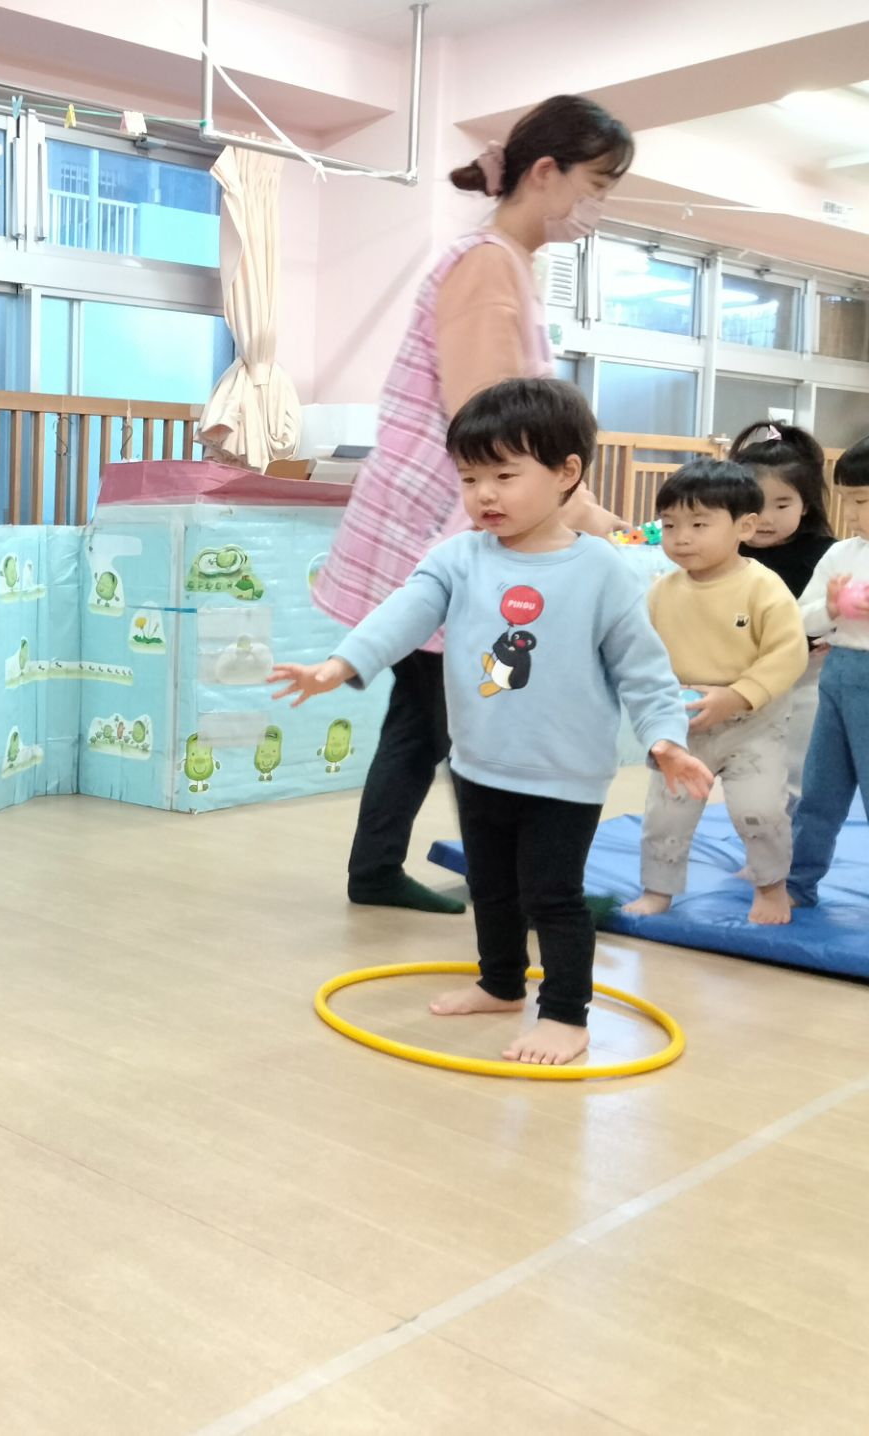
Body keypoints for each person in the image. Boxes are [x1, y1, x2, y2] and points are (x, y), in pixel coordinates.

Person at [272, 380, 712, 1066]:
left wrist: (665, 739)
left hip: (564, 775)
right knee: (492, 888)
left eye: (505, 476)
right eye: (470, 478)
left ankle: (564, 1015)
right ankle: (502, 984)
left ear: (567, 472)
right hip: (477, 762)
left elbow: (644, 670)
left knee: (552, 897)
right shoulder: (459, 557)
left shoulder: (601, 570)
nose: (484, 495)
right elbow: (403, 614)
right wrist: (340, 664)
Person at [313, 95, 630, 918]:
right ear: (545, 172)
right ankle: (529, 891)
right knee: (480, 723)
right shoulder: (487, 263)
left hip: (446, 520)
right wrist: (581, 515)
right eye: (597, 185)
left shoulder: (502, 262)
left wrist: (584, 511)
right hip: (448, 524)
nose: (598, 206)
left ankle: (378, 871)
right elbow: (494, 424)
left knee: (426, 718)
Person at [619, 462, 806, 926]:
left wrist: (738, 696)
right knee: (666, 815)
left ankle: (771, 888)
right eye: (670, 525)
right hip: (685, 723)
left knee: (759, 811)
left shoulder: (763, 587)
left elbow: (788, 654)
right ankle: (658, 889)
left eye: (699, 525)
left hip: (753, 722)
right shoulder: (661, 591)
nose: (681, 538)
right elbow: (643, 653)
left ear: (744, 527)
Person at [726, 422, 835, 812]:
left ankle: (791, 839)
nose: (765, 517)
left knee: (797, 771)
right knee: (746, 771)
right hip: (742, 676)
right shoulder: (726, 552)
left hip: (806, 679)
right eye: (754, 504)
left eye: (782, 505)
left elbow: (841, 611)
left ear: (806, 505)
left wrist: (834, 633)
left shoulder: (828, 553)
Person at [787, 436, 869, 909]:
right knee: (820, 790)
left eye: (862, 501)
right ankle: (797, 883)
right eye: (847, 501)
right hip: (837, 676)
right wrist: (833, 609)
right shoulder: (841, 555)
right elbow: (801, 619)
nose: (852, 514)